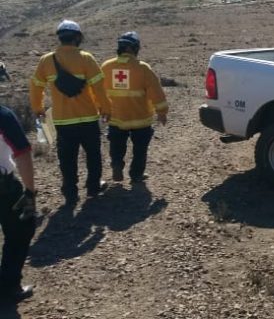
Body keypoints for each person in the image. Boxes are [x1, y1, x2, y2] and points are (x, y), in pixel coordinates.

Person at [29, 19, 111, 203]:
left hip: (63, 120)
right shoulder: (86, 58)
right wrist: (106, 109)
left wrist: (38, 108)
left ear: (59, 37)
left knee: (67, 158)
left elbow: (36, 87)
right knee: (93, 155)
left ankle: (70, 193)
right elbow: (99, 89)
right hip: (88, 118)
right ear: (78, 37)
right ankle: (93, 187)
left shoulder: (46, 60)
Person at [101, 32, 169, 184]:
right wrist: (162, 112)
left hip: (116, 118)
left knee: (116, 146)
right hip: (140, 119)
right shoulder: (143, 68)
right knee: (140, 149)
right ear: (135, 48)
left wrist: (102, 110)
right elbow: (156, 92)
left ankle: (117, 166)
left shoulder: (106, 66)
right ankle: (136, 175)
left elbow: (99, 92)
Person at [0, 105, 37, 303]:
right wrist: (30, 191)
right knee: (20, 231)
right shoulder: (3, 116)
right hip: (3, 189)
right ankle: (8, 286)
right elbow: (22, 153)